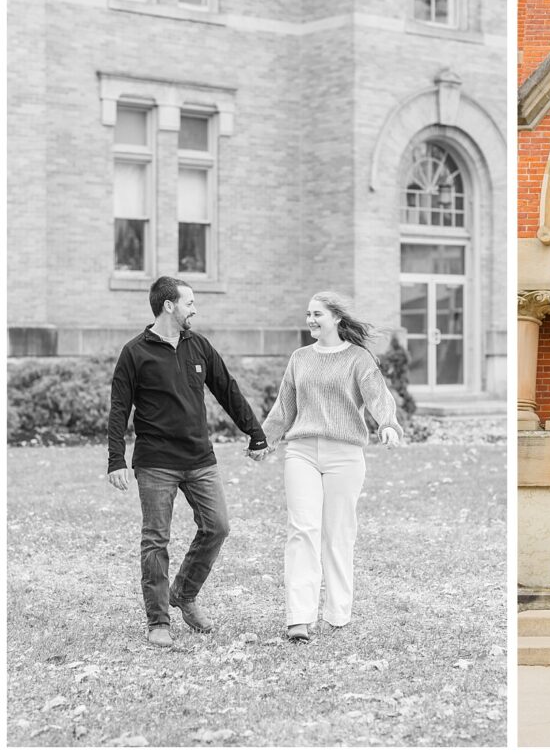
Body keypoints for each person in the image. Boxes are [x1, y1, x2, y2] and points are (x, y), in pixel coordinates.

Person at [107, 276, 269, 649]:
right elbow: (119, 409)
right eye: (189, 303)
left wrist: (254, 432)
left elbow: (227, 389)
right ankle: (158, 620)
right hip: (156, 462)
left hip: (199, 457)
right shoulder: (135, 352)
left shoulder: (198, 345)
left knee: (218, 526)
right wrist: (116, 459)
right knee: (155, 540)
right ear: (169, 306)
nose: (194, 309)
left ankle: (184, 592)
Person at [258, 291, 402, 643]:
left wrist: (387, 424)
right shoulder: (300, 358)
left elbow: (378, 396)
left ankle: (337, 614)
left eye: (317, 314)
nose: (310, 320)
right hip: (302, 451)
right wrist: (264, 439)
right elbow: (284, 406)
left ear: (336, 317)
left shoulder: (358, 358)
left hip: (345, 454)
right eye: (308, 313)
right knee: (302, 530)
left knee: (338, 535)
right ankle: (298, 618)